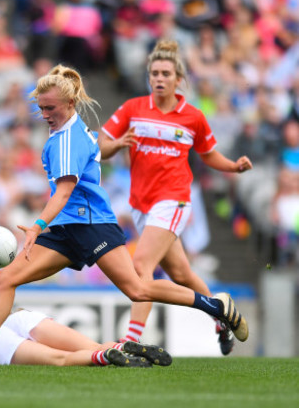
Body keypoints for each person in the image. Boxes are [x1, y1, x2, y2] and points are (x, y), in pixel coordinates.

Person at [0, 64, 248, 368]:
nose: (44, 115)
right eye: (41, 108)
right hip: (66, 229)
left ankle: (216, 305)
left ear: (70, 104)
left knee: (138, 289)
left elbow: (64, 192)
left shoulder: (69, 139)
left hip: (91, 225)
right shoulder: (65, 132)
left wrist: (36, 226)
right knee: (5, 278)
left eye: (50, 108)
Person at [97, 39, 253, 355]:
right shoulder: (133, 109)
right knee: (181, 274)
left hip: (174, 199)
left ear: (178, 78)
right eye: (154, 72)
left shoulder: (192, 117)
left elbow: (208, 155)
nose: (159, 78)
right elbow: (101, 145)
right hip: (142, 203)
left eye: (165, 73)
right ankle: (220, 315)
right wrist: (116, 145)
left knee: (141, 264)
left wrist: (234, 167)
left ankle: (132, 340)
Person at [0, 309, 172, 368]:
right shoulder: (10, 315)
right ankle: (122, 346)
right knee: (91, 344)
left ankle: (105, 356)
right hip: (23, 316)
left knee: (61, 359)